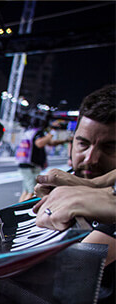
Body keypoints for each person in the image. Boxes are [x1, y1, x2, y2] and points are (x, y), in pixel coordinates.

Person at [32, 84, 116, 264]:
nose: (90, 159)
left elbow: (75, 266)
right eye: (83, 144)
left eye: (110, 147)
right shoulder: (65, 182)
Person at [15, 116, 68, 201]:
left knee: (26, 191)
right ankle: (23, 208)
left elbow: (50, 143)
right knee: (32, 192)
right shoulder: (38, 132)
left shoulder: (30, 132)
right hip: (30, 166)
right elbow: (39, 143)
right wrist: (52, 132)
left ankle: (18, 206)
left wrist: (65, 141)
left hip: (24, 164)